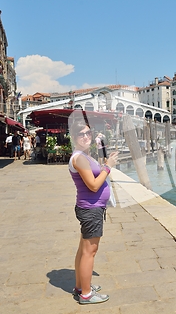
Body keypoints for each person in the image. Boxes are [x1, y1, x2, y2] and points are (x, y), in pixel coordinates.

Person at [69, 120, 118, 305]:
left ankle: (81, 286)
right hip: (91, 209)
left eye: (88, 133)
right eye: (81, 134)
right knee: (90, 251)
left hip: (89, 207)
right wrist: (109, 166)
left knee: (83, 249)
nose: (86, 137)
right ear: (74, 137)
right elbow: (93, 185)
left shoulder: (83, 155)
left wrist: (103, 160)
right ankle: (86, 295)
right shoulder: (79, 158)